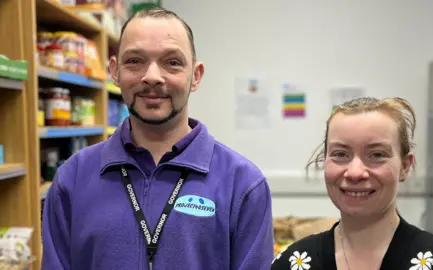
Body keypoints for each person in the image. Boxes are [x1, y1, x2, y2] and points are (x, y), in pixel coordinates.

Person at [41, 6, 274, 270]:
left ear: (195, 76)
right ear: (115, 71)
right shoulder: (72, 178)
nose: (152, 76)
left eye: (172, 62)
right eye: (135, 61)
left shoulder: (242, 184)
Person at [271, 97, 433, 270]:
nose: (355, 172)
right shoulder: (293, 264)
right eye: (340, 154)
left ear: (405, 166)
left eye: (377, 155)